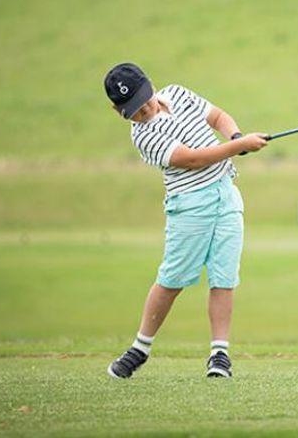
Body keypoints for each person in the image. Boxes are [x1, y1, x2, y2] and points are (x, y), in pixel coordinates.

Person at [103, 62, 268, 379]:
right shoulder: (143, 137)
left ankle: (219, 354)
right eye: (133, 111)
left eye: (145, 102)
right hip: (190, 207)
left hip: (226, 195)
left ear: (151, 86)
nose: (144, 112)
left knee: (224, 275)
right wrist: (239, 145)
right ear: (119, 111)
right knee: (173, 278)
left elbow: (217, 116)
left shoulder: (177, 93)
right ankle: (140, 348)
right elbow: (192, 160)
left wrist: (234, 134)